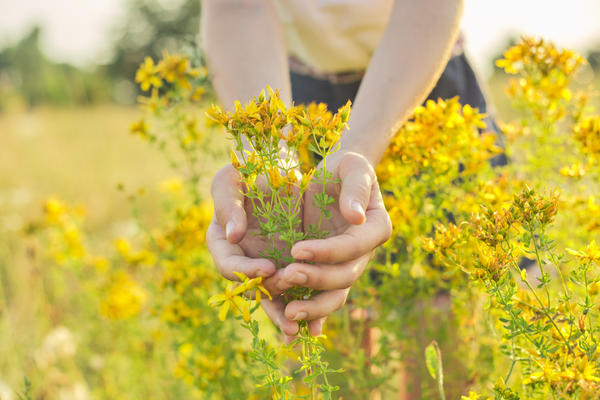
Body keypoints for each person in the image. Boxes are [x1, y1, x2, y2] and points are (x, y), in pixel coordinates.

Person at [202, 0, 493, 344]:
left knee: (437, 312)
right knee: (318, 311)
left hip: (420, 76)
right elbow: (238, 6)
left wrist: (356, 149)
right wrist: (267, 159)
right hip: (294, 87)